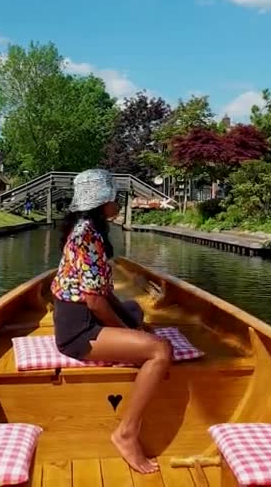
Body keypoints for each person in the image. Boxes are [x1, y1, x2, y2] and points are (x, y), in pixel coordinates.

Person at [51, 169, 171, 475]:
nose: (119, 201)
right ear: (101, 201)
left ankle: (132, 339)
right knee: (159, 351)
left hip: (87, 315)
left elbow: (103, 292)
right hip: (79, 330)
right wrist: (130, 333)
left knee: (134, 311)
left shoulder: (91, 229)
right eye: (114, 196)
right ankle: (126, 433)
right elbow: (94, 301)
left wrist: (131, 325)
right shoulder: (86, 236)